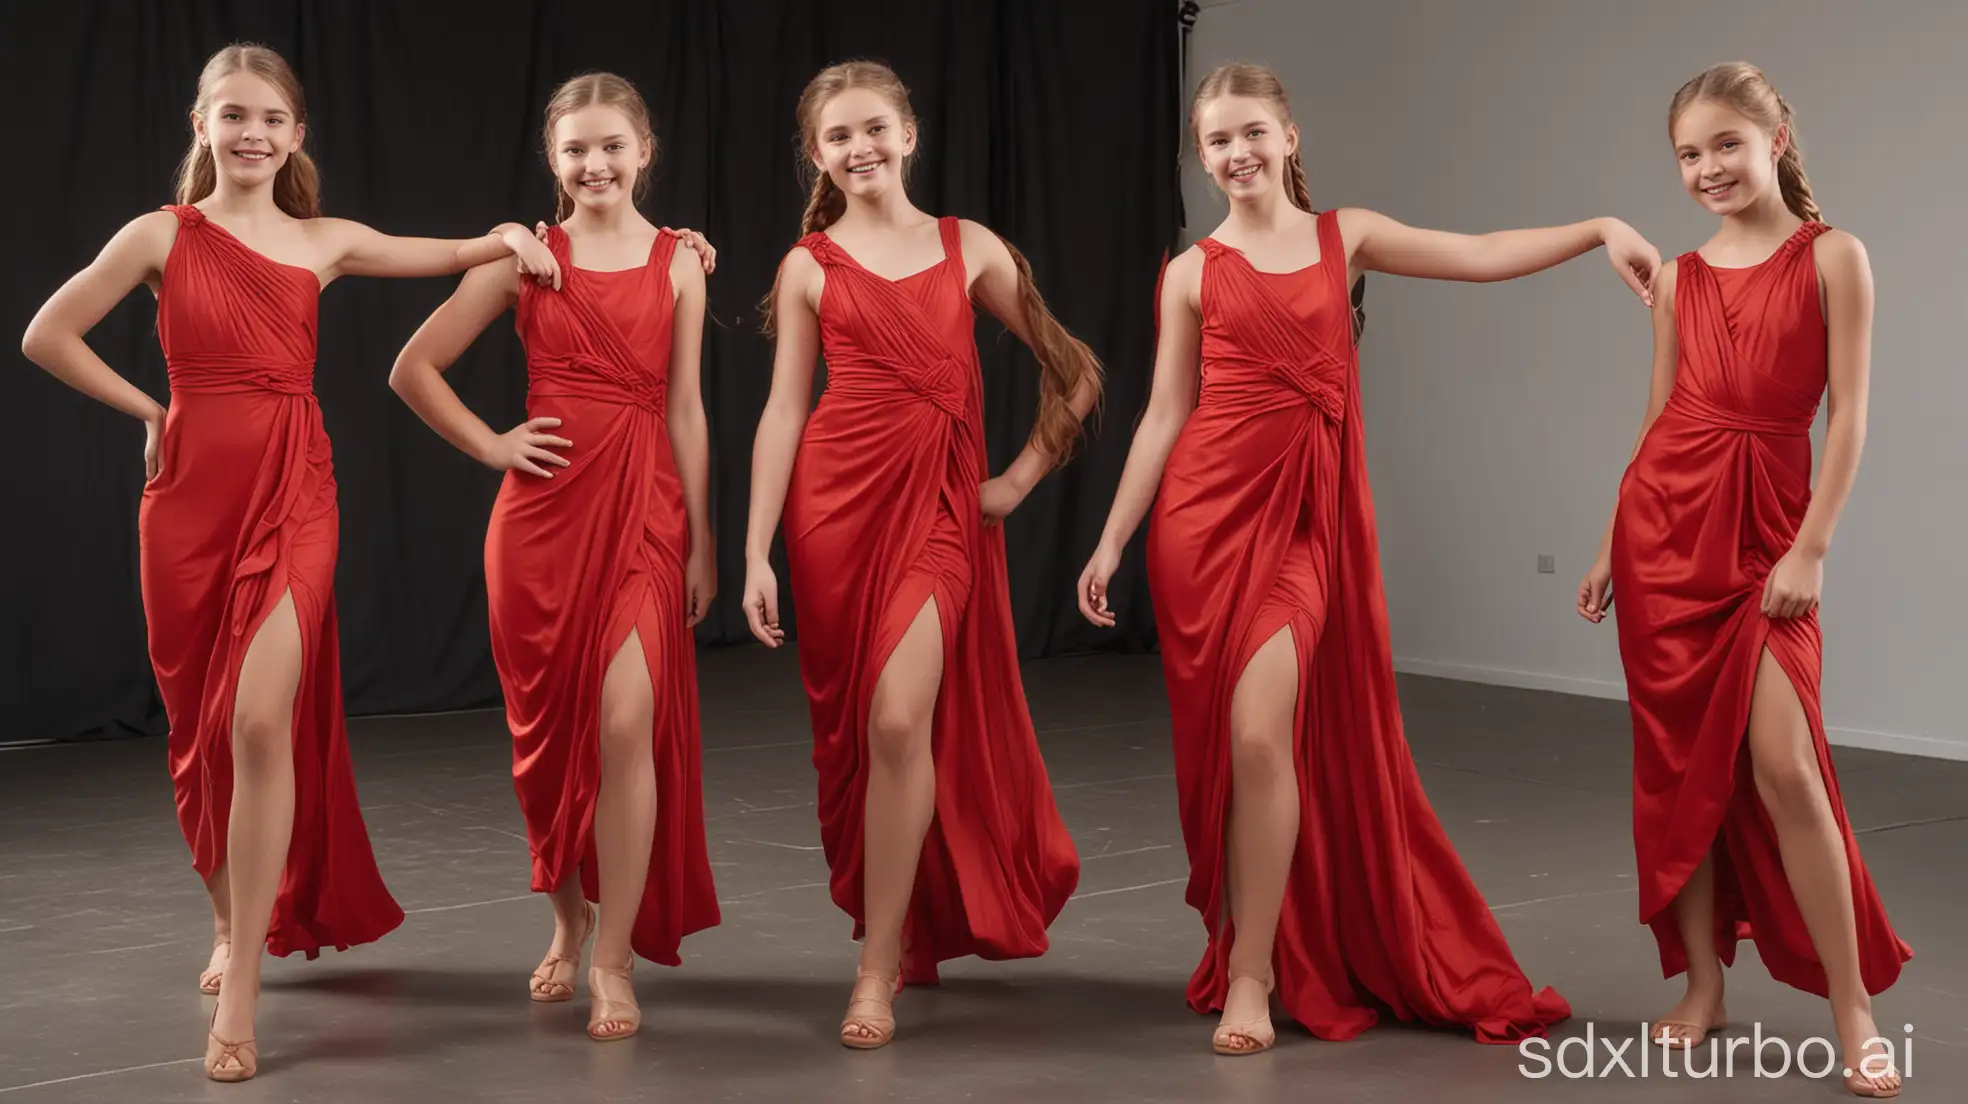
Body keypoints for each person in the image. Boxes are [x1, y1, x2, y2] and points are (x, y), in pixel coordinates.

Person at [1077, 61, 1659, 1055]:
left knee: (1265, 740)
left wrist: (1599, 227)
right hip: (1200, 529)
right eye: (1218, 140)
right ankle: (1252, 941)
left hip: (1304, 525)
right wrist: (1114, 537)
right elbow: (1165, 413)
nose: (1238, 153)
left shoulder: (1346, 238)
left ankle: (1256, 976)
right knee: (1227, 759)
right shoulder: (1190, 272)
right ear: (1203, 156)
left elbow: (1479, 253)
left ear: (1290, 136)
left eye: (1254, 132)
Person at [18, 42, 565, 1081]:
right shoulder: (159, 237)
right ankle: (229, 919)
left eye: (271, 117)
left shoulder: (327, 241)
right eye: (233, 115)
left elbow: (459, 255)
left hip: (294, 492)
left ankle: (249, 999)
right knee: (200, 732)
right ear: (201, 127)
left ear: (296, 135)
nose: (253, 133)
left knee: (263, 719)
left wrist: (510, 233)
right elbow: (48, 333)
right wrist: (150, 410)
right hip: (186, 506)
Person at [741, 59, 1100, 1049]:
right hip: (832, 514)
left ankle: (876, 969)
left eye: (874, 129)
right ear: (818, 155)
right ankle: (895, 930)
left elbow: (1073, 371)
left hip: (938, 513)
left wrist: (1016, 483)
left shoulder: (965, 246)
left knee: (902, 723)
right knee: (860, 737)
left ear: (909, 135)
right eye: (838, 137)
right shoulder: (808, 263)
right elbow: (784, 409)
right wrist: (756, 550)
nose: (859, 149)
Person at [1577, 60, 1908, 1098]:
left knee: (1788, 769)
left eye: (1726, 143)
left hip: (1768, 536)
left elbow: (1849, 415)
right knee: (1678, 774)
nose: (1707, 167)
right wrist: (1606, 540)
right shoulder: (1677, 278)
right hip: (1662, 534)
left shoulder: (1834, 257)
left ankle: (1853, 1010)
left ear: (1776, 142)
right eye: (1688, 153)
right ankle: (1703, 987)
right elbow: (1659, 414)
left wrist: (1812, 546)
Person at [389, 71, 721, 1043]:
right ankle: (567, 917)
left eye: (613, 145)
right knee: (548, 753)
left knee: (627, 725)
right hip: (537, 529)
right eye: (575, 149)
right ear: (552, 161)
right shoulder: (522, 260)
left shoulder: (680, 262)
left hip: (644, 519)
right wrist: (493, 444)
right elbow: (412, 367)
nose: (595, 164)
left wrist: (701, 537)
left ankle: (613, 957)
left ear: (645, 150)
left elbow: (688, 408)